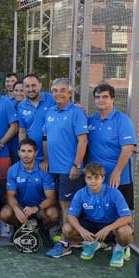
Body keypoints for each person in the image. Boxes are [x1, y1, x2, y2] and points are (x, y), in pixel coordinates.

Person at [46, 163, 133, 268]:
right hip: (91, 225)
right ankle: (90, 243)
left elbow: (127, 217)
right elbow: (71, 215)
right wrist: (81, 230)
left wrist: (108, 228)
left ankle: (119, 250)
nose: (93, 181)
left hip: (110, 226)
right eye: (89, 178)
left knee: (126, 231)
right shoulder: (81, 193)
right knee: (67, 229)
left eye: (96, 177)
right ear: (85, 179)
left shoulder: (114, 193)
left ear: (103, 179)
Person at [42, 78, 89, 231]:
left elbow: (83, 141)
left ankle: (66, 239)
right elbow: (46, 137)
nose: (58, 94)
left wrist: (76, 165)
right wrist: (46, 160)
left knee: (66, 204)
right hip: (53, 168)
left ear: (70, 93)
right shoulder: (50, 111)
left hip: (68, 168)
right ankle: (61, 233)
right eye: (55, 90)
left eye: (62, 90)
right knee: (57, 203)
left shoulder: (77, 112)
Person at [87, 83, 136, 210]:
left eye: (105, 97)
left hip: (118, 179)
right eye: (97, 97)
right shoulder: (91, 120)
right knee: (99, 213)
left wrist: (117, 172)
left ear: (112, 99)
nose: (101, 100)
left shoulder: (122, 120)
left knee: (122, 219)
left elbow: (128, 148)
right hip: (96, 178)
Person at [0, 139, 59, 233]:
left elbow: (51, 198)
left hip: (39, 208)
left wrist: (36, 208)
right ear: (18, 152)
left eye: (29, 151)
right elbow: (10, 195)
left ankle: (43, 231)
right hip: (21, 206)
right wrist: (16, 209)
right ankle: (19, 228)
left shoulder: (44, 169)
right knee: (5, 213)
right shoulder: (12, 170)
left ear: (35, 153)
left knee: (53, 214)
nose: (26, 154)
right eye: (23, 151)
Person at [16, 74, 55, 164]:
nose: (30, 89)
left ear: (40, 85)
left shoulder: (53, 99)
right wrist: (23, 152)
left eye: (33, 85)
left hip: (54, 155)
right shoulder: (21, 106)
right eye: (27, 86)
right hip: (33, 157)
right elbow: (22, 131)